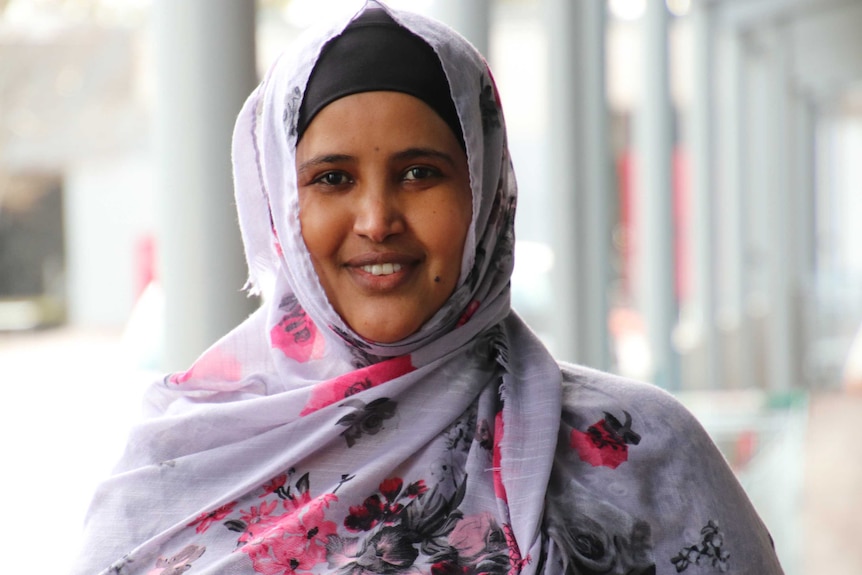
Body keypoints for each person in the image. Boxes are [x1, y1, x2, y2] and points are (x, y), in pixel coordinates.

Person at [72, 2, 784, 574]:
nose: (377, 220)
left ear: (486, 194)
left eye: (420, 172)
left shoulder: (642, 452)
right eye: (332, 179)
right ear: (280, 208)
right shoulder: (174, 470)